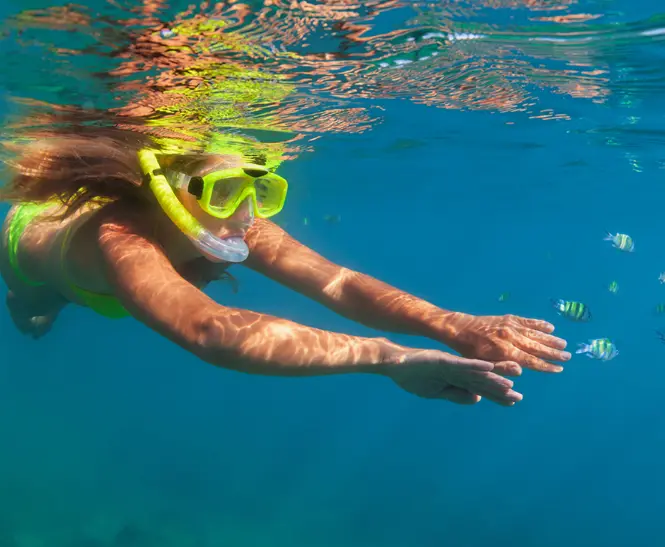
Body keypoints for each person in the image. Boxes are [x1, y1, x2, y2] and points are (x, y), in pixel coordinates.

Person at [0, 124, 570, 406]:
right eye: (224, 192)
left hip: (113, 257)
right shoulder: (118, 236)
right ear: (173, 189)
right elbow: (212, 330)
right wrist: (389, 357)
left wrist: (452, 324)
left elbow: (339, 282)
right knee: (35, 311)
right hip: (30, 252)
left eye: (262, 193)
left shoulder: (233, 219)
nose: (246, 216)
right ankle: (31, 311)